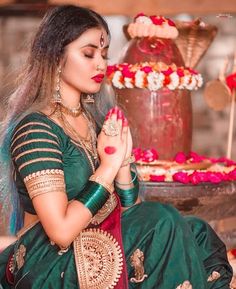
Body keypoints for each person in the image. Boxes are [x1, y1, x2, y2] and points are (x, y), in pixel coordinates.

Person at [0, 5, 233, 289]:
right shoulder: (36, 129)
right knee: (163, 220)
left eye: (104, 54)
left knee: (197, 233)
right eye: (88, 54)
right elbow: (60, 231)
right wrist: (108, 168)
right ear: (56, 57)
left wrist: (122, 163)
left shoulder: (96, 121)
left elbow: (131, 214)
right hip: (50, 260)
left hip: (100, 236)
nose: (100, 64)